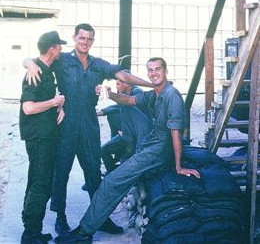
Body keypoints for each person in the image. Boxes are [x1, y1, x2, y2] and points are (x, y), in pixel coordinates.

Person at [23, 23, 153, 236]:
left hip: (89, 126)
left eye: (89, 39)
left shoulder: (98, 65)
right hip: (65, 126)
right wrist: (29, 64)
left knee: (93, 173)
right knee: (61, 173)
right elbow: (35, 59)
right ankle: (60, 218)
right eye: (82, 38)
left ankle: (100, 217)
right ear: (75, 38)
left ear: (93, 41)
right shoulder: (62, 60)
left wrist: (152, 85)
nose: (85, 42)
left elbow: (123, 75)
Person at [54, 57, 201, 244]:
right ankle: (89, 225)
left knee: (112, 181)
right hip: (151, 145)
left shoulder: (171, 95)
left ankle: (85, 231)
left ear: (166, 71)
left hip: (158, 150)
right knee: (115, 174)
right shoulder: (154, 93)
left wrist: (178, 166)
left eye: (158, 69)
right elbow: (129, 100)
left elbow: (176, 133)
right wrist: (110, 94)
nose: (154, 73)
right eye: (150, 70)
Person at [19, 31, 66, 244]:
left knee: (37, 180)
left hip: (46, 135)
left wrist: (60, 106)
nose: (61, 50)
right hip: (39, 137)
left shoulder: (45, 68)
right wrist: (54, 103)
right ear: (52, 49)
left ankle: (31, 228)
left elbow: (27, 60)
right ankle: (30, 234)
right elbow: (28, 108)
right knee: (41, 183)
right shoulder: (34, 73)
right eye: (59, 46)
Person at [100, 71, 153, 174]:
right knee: (104, 150)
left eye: (118, 84)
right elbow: (117, 106)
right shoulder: (124, 94)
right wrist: (101, 112)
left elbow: (137, 118)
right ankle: (112, 173)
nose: (117, 87)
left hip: (139, 137)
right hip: (128, 134)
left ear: (127, 83)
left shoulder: (137, 93)